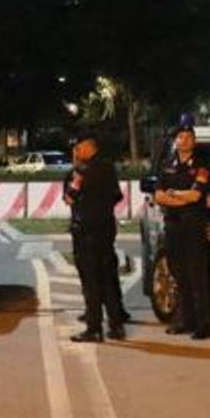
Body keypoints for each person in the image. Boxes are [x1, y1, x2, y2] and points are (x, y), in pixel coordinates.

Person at [153, 124, 210, 340]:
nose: (184, 140)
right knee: (178, 274)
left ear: (194, 141)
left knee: (197, 276)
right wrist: (180, 198)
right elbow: (158, 195)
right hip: (173, 226)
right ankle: (184, 320)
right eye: (181, 136)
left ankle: (203, 325)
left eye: (188, 136)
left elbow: (196, 195)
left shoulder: (202, 165)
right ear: (176, 141)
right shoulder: (167, 164)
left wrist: (174, 194)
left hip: (192, 226)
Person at [66, 136, 127, 343]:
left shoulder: (82, 171)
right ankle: (116, 326)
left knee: (91, 282)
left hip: (87, 231)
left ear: (87, 147)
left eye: (78, 148)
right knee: (108, 279)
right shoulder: (108, 167)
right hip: (106, 228)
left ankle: (94, 328)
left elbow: (70, 197)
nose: (76, 151)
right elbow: (117, 196)